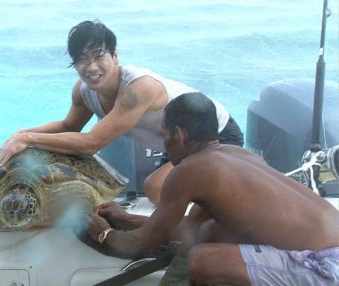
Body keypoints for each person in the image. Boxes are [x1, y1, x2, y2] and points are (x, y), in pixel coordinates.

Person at [86, 92, 339, 285]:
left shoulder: (189, 170)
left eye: (165, 135)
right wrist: (126, 218)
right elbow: (192, 229)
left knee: (203, 261)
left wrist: (104, 234)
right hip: (328, 251)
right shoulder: (237, 153)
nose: (164, 145)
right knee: (211, 231)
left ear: (180, 133)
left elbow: (145, 242)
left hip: (325, 268)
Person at [0, 20, 243, 205]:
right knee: (159, 190)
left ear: (115, 55)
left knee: (156, 190)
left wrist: (28, 140)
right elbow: (69, 126)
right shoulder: (84, 90)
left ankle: (232, 182)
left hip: (214, 135)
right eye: (82, 59)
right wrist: (20, 133)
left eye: (99, 56)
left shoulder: (137, 89)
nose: (91, 67)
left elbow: (91, 143)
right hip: (177, 147)